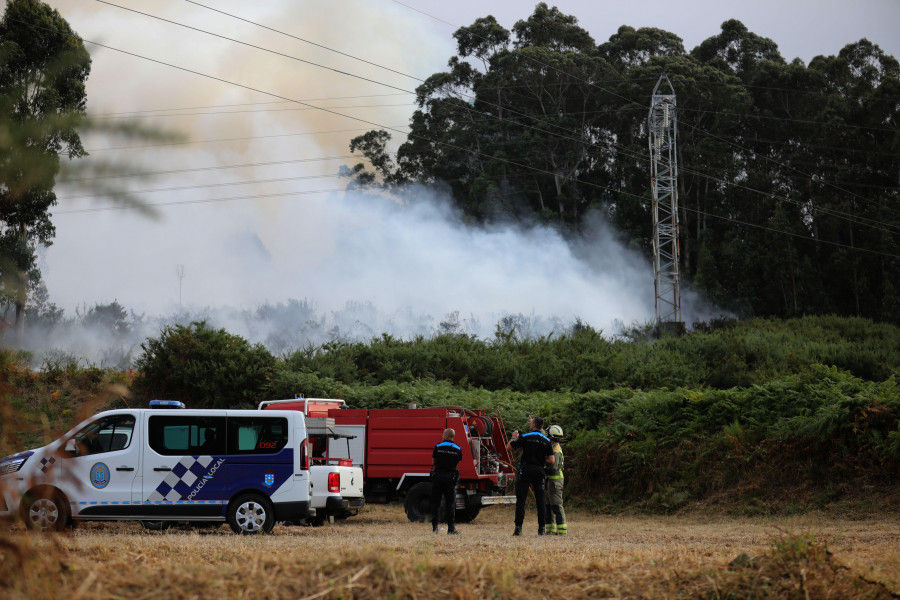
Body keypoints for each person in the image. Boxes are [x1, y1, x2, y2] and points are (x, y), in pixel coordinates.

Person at [507, 415, 554, 536]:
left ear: (533, 425)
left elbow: (509, 447)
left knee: (521, 500)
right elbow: (551, 460)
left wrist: (514, 437)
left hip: (526, 470)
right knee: (540, 500)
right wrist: (541, 459)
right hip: (539, 471)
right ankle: (541, 529)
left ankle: (518, 528)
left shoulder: (526, 436)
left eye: (531, 422)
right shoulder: (546, 441)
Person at [431, 428, 463, 534]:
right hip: (450, 478)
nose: (442, 436)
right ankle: (451, 529)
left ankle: (435, 528)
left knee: (435, 503)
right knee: (450, 504)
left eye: (443, 434)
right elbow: (457, 463)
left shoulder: (438, 446)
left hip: (438, 477)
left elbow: (433, 462)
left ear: (447, 436)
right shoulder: (458, 449)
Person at [544, 424, 567, 535]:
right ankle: (550, 529)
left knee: (556, 505)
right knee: (548, 506)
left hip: (555, 481)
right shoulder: (552, 447)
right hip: (550, 481)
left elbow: (551, 466)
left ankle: (562, 530)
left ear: (551, 437)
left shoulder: (555, 451)